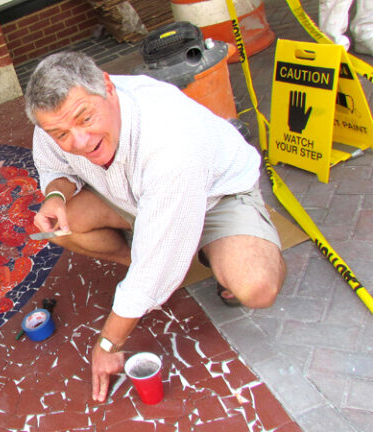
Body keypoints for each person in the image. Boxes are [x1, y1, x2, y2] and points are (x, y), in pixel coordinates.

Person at [25, 52, 286, 403]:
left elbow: (155, 270)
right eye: (61, 133)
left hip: (216, 198)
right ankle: (143, 254)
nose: (80, 141)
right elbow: (54, 164)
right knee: (61, 226)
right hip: (133, 197)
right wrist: (56, 195)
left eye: (85, 118)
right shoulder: (55, 119)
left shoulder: (170, 141)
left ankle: (217, 241)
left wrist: (107, 344)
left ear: (107, 86)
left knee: (256, 287)